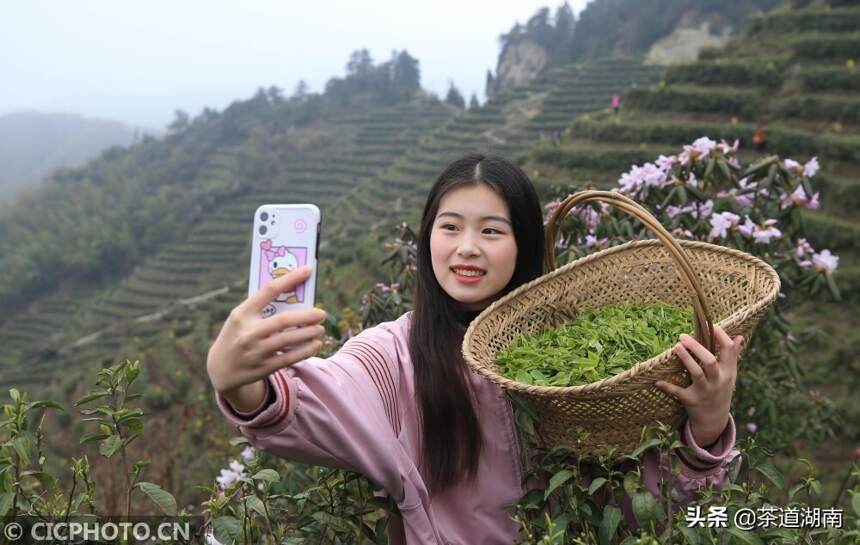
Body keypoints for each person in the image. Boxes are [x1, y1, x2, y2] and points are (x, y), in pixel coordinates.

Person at [207, 153, 742, 544]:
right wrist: (240, 380)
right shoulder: (394, 356)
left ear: (524, 245)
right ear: (427, 238)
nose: (466, 248)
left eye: (492, 230)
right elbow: (313, 400)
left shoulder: (574, 356)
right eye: (450, 227)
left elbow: (644, 506)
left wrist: (707, 426)